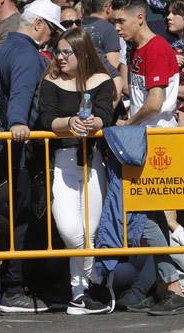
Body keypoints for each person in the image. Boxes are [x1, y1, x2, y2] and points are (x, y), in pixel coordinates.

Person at [108, 0, 184, 316]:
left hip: (156, 141)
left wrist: (128, 121)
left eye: (120, 21)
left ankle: (172, 287)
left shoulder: (156, 48)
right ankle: (164, 287)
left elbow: (155, 103)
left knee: (149, 218)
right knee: (148, 218)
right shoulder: (136, 47)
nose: (116, 27)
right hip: (143, 139)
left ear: (139, 18)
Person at [37, 28, 116, 315]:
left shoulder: (102, 81)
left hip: (94, 162)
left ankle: (81, 292)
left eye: (66, 52)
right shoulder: (50, 80)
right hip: (63, 160)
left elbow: (106, 114)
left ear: (82, 54)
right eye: (57, 51)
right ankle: (95, 280)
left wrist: (94, 122)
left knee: (89, 231)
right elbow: (45, 118)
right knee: (71, 232)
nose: (59, 57)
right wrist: (69, 122)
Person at [0, 0, 64, 313]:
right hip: (23, 148)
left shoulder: (6, 48)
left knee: (16, 218)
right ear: (39, 25)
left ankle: (15, 283)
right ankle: (14, 287)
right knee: (23, 219)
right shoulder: (25, 54)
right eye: (51, 30)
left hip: (13, 148)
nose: (51, 37)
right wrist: (19, 122)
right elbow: (22, 92)